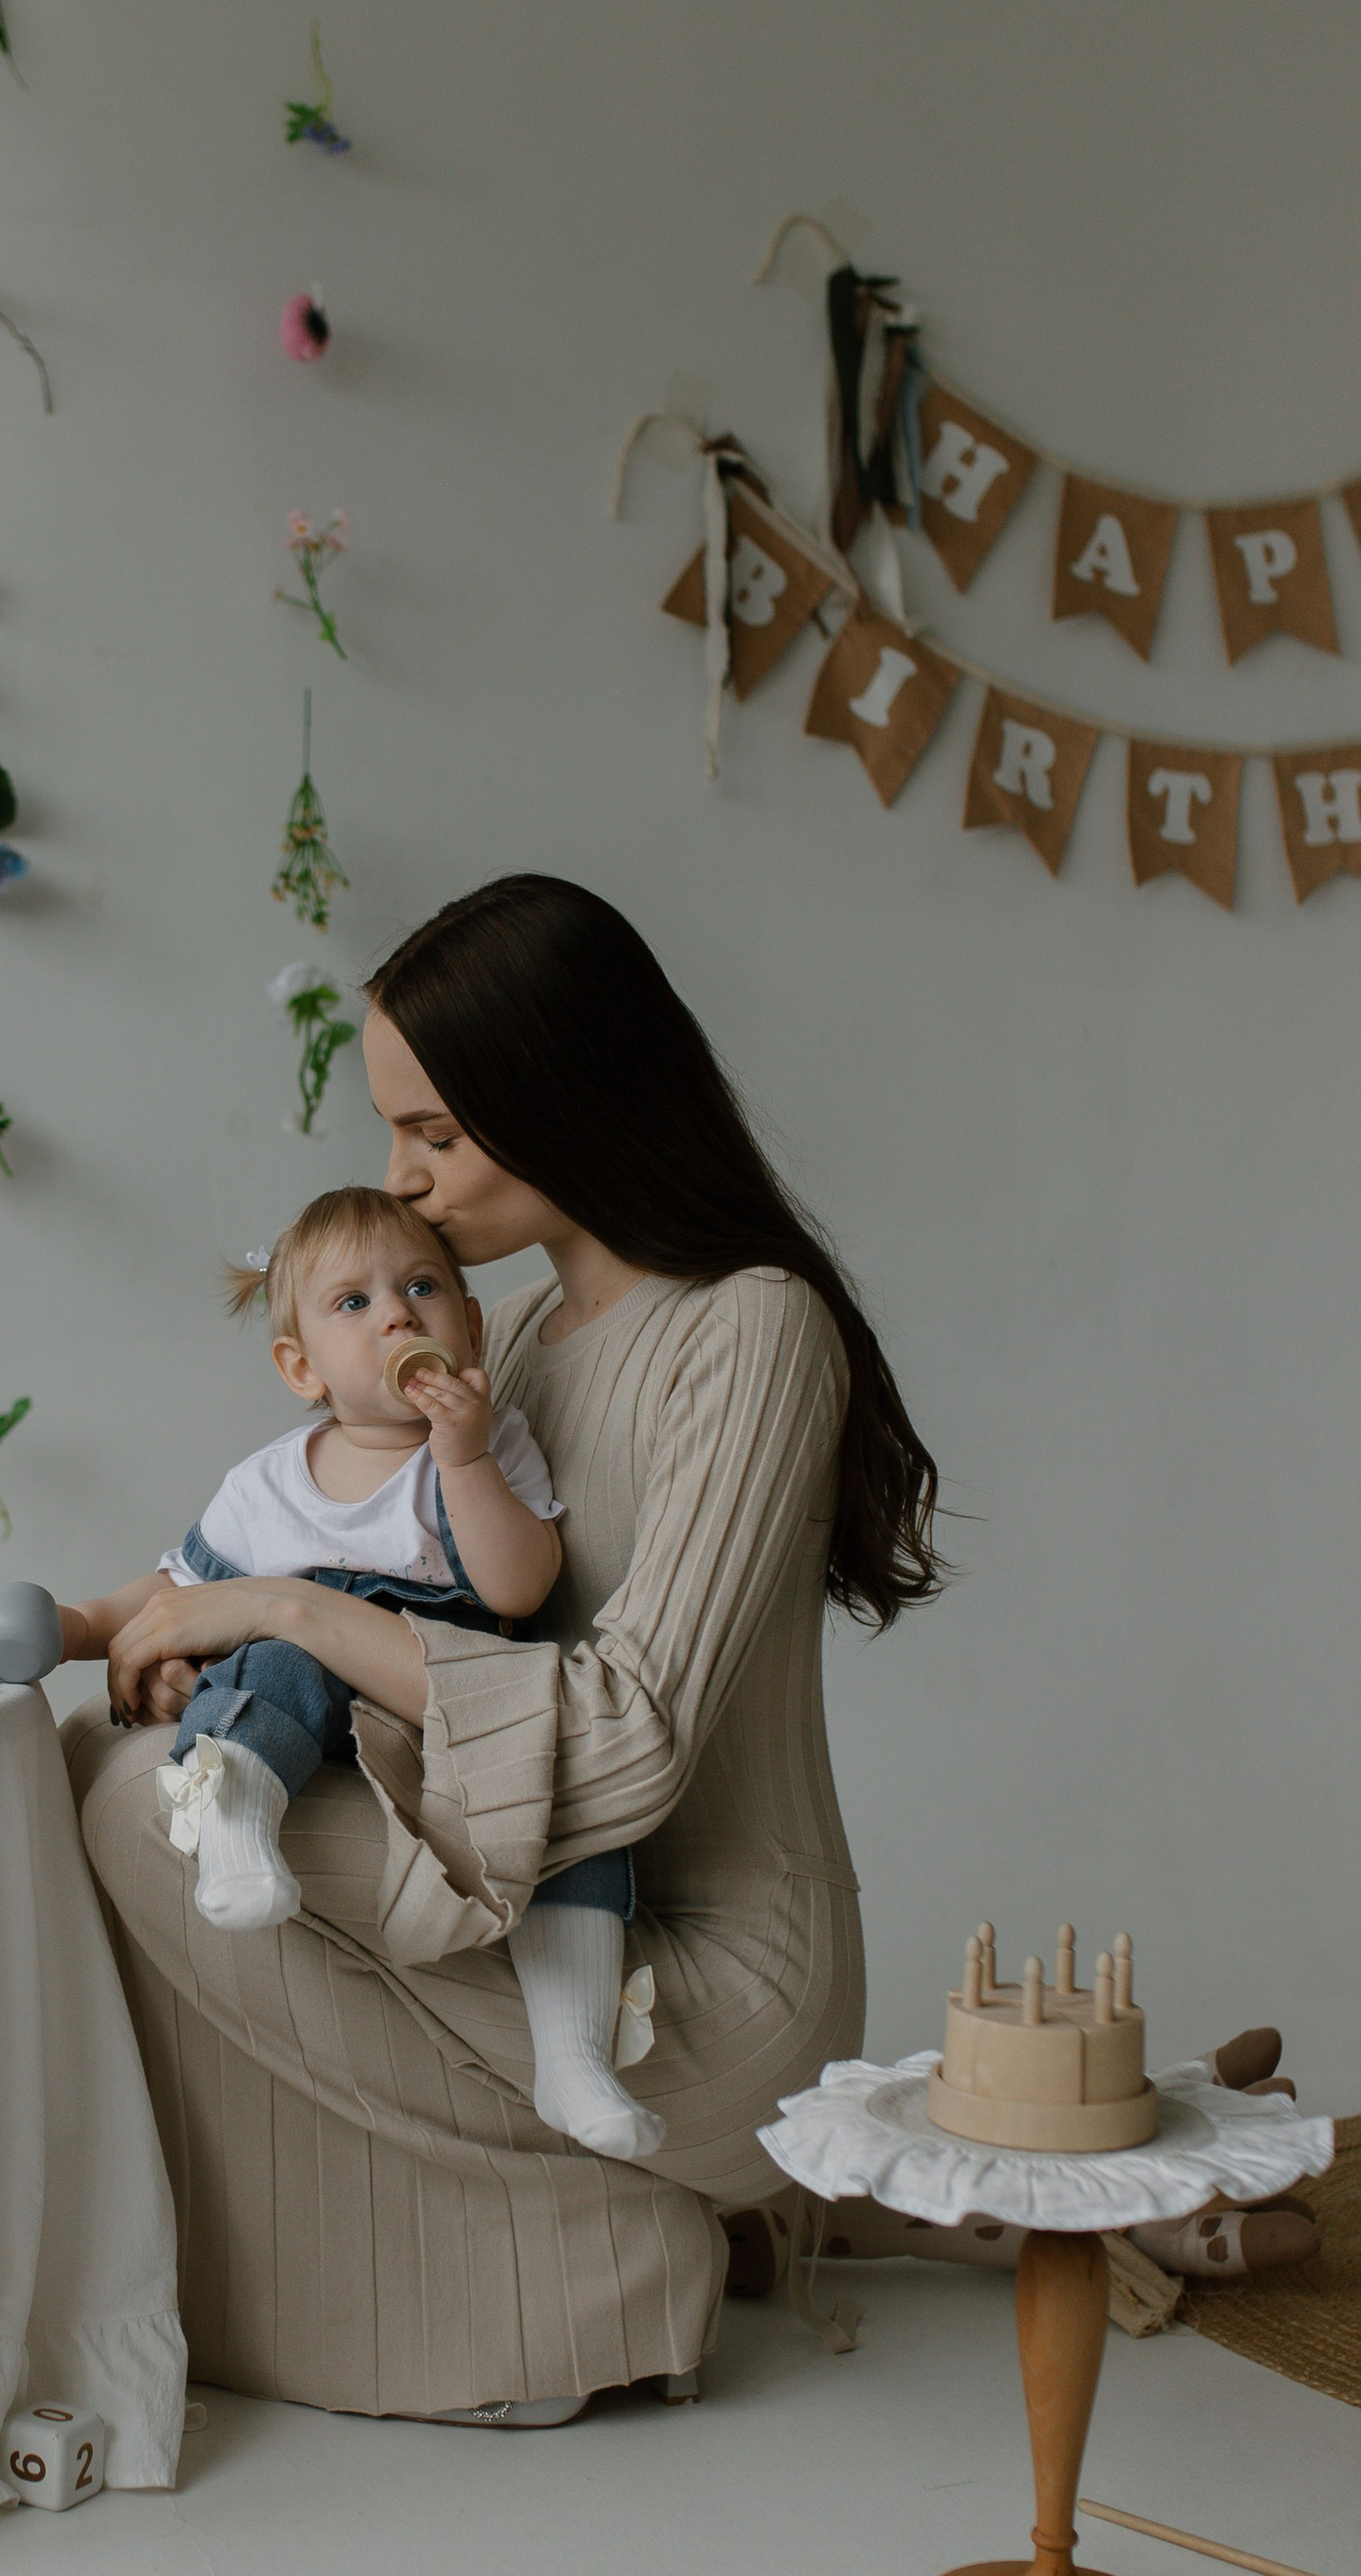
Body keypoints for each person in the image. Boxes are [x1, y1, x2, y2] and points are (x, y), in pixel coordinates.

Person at [69, 869, 944, 2421]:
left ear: (571, 1100)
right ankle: (579, 2237)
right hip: (519, 1875)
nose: (401, 1186)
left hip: (699, 1967)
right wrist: (212, 1653)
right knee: (131, 1758)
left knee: (156, 1811)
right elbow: (402, 1597)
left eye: (437, 1137)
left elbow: (629, 1734)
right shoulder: (516, 1337)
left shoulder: (752, 1331)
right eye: (399, 1132)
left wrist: (273, 1610)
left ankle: (615, 2243)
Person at [54, 1184, 660, 2164]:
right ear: (301, 1367)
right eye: (353, 1303)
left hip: (452, 1701)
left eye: (422, 1287)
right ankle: (237, 1827)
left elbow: (518, 1586)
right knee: (277, 1654)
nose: (395, 1313)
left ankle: (575, 2052)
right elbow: (175, 1588)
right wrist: (79, 1623)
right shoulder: (268, 1483)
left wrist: (463, 1457)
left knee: (566, 1792)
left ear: (467, 1326)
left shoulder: (491, 1446)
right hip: (313, 1709)